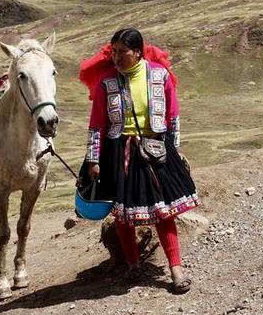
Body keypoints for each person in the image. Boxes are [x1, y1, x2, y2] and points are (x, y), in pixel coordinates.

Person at [78, 28, 199, 293]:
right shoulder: (106, 82)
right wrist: (93, 159)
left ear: (138, 52)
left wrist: (175, 149)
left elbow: (173, 114)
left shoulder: (159, 74)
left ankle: (176, 269)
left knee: (163, 211)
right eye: (114, 52)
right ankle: (132, 264)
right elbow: (96, 123)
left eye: (124, 52)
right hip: (119, 150)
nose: (117, 58)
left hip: (156, 148)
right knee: (123, 213)